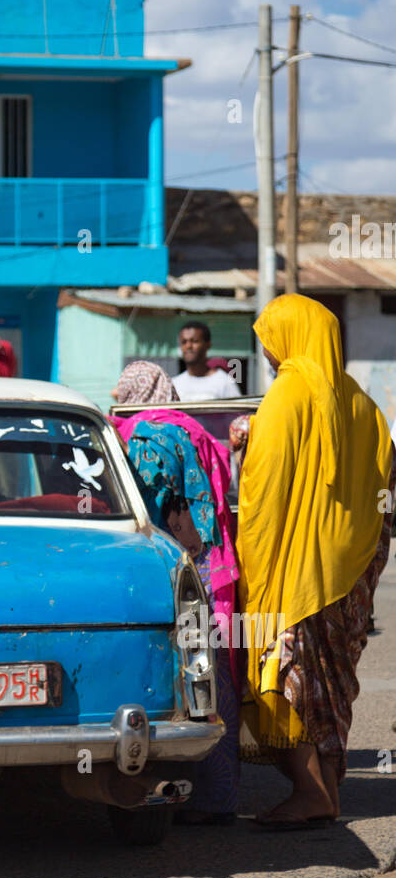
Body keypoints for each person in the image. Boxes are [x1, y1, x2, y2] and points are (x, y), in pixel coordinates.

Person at [236, 294, 395, 829]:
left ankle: (310, 791)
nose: (267, 353)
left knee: (285, 677)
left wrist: (251, 566)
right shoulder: (363, 404)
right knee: (330, 687)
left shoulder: (287, 396)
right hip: (349, 575)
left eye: (269, 341)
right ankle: (326, 790)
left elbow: (264, 494)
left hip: (296, 573)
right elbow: (385, 490)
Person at [111, 360, 240, 824]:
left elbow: (143, 510)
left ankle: (182, 796)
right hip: (216, 567)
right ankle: (219, 797)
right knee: (215, 681)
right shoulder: (194, 429)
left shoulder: (146, 438)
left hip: (174, 573)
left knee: (178, 680)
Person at [174, 321, 242, 401]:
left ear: (208, 344)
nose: (188, 346)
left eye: (194, 341)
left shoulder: (224, 382)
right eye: (184, 342)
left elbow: (238, 409)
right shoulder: (175, 384)